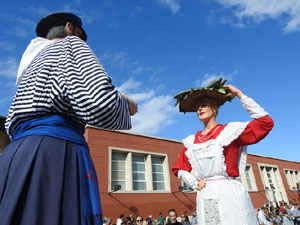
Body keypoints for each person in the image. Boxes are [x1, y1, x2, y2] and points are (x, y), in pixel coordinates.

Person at [0, 12, 137, 225]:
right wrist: (127, 105)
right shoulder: (70, 44)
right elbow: (100, 104)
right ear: (70, 28)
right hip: (54, 152)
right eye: (81, 35)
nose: (82, 41)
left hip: (14, 156)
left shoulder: (31, 66)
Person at [172, 78, 274, 225]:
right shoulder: (191, 141)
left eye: (204, 105)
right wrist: (194, 182)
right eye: (197, 108)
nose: (199, 109)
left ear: (215, 109)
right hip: (205, 193)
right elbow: (179, 168)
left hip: (228, 191)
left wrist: (239, 94)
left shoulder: (230, 131)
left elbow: (265, 123)